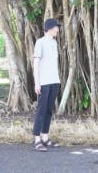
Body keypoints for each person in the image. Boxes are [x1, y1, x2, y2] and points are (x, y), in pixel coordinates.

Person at [32, 18, 61, 152]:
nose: (58, 29)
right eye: (56, 27)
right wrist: (37, 83)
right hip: (43, 82)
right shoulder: (40, 43)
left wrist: (57, 80)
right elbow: (36, 63)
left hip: (54, 81)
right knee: (41, 110)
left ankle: (45, 136)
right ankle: (37, 139)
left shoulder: (54, 43)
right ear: (50, 28)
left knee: (49, 110)